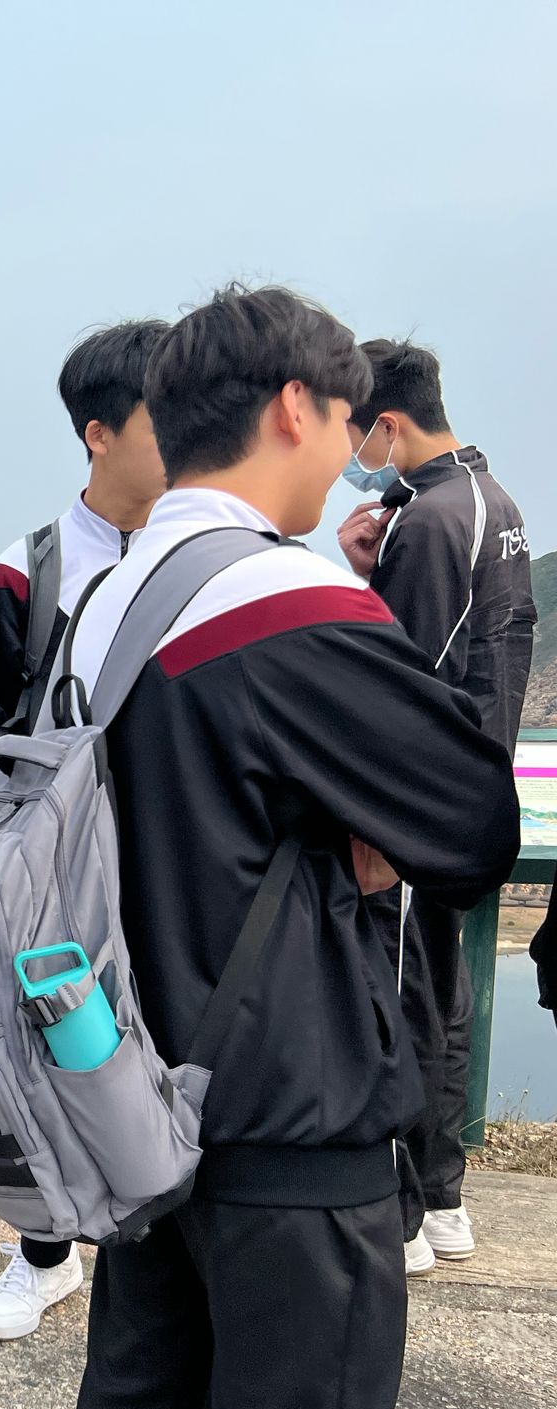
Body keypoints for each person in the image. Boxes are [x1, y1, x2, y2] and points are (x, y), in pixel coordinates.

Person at [62, 286, 517, 1409]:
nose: (347, 450)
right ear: (289, 409)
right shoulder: (289, 603)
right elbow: (472, 829)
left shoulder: (104, 599)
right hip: (289, 1115)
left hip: (130, 1099)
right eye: (342, 420)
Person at [0, 319, 170, 1341]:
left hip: (174, 855)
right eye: (162, 420)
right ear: (97, 433)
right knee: (50, 1041)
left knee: (166, 1040)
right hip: (59, 867)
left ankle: (160, 1240)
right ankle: (45, 1248)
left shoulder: (209, 557)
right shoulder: (26, 570)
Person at [334, 340, 536, 1273]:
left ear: (388, 423)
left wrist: (362, 579)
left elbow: (403, 678)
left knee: (406, 993)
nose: (350, 454)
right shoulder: (497, 504)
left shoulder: (427, 522)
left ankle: (406, 1212)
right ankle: (444, 1197)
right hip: (479, 789)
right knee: (445, 994)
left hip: (419, 806)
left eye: (354, 431)